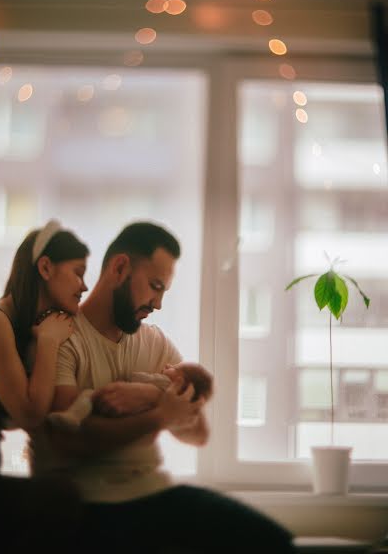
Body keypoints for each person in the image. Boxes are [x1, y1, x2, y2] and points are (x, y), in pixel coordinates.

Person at [31, 221, 295, 553]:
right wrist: (159, 416)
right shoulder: (61, 337)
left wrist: (153, 395)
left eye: (164, 291)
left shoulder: (155, 343)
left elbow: (197, 433)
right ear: (120, 267)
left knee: (272, 541)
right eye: (154, 286)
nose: (157, 304)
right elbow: (70, 441)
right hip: (90, 505)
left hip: (152, 493)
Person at [0, 219, 89, 552]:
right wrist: (48, 342)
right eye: (78, 271)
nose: (84, 286)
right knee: (61, 499)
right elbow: (30, 414)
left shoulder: (22, 329)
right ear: (45, 267)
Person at [47, 360, 213, 431]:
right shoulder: (172, 403)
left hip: (114, 397)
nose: (167, 365)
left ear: (179, 379)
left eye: (174, 367)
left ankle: (73, 416)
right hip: (126, 413)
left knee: (88, 396)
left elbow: (136, 378)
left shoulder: (163, 383)